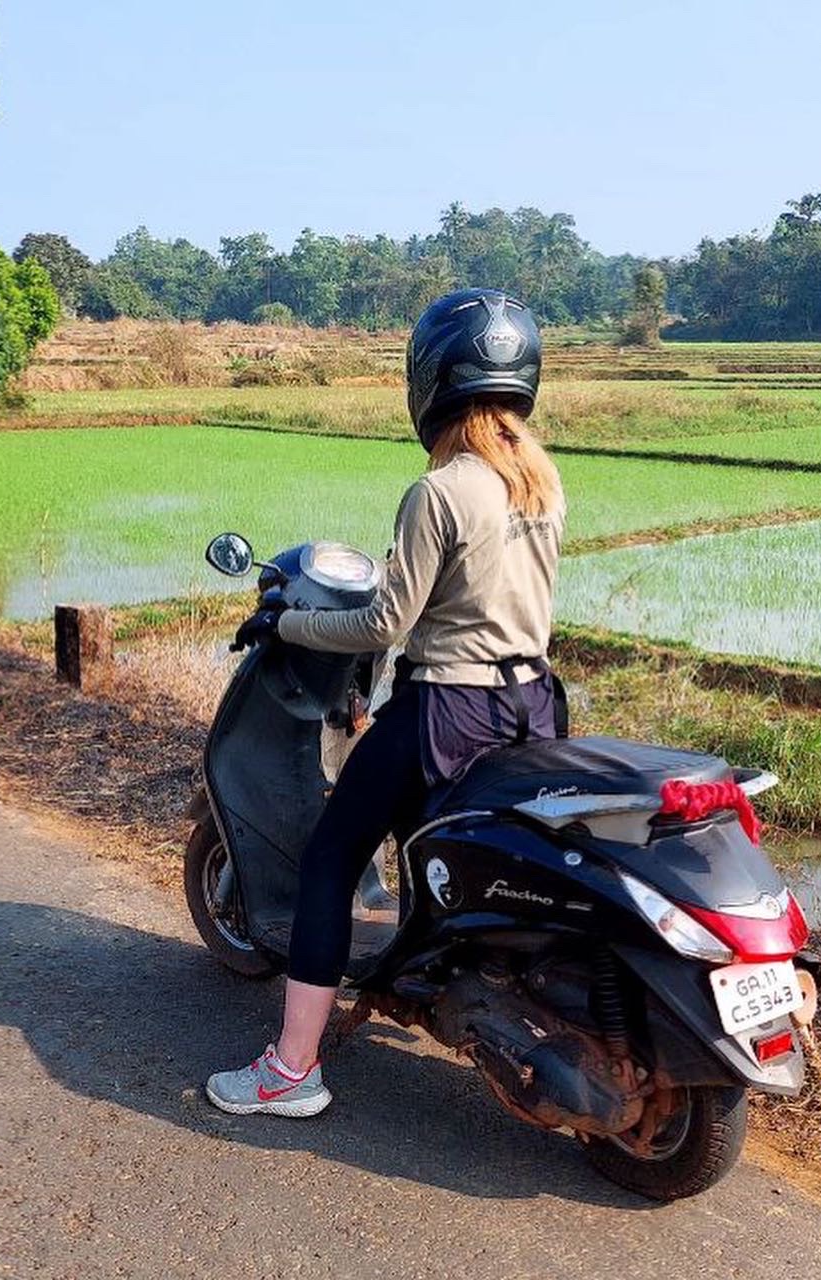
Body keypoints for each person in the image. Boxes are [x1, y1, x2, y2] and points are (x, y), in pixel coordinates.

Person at [206, 289, 566, 1118]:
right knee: (439, 846)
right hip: (534, 704)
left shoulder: (441, 490)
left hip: (448, 709)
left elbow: (383, 623)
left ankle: (291, 1071)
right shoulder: (541, 482)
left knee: (332, 857)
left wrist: (285, 622)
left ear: (432, 382)